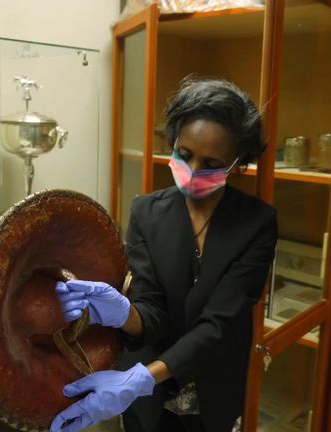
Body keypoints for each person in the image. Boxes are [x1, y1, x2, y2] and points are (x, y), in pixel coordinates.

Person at [51, 78, 278, 432]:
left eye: (211, 162)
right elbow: (153, 312)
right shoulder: (146, 212)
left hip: (211, 389)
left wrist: (140, 378)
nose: (192, 171)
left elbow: (218, 325)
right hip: (149, 399)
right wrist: (126, 314)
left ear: (235, 164)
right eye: (184, 155)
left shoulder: (256, 224)